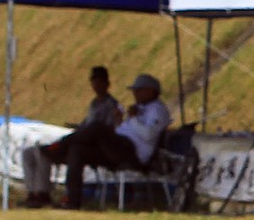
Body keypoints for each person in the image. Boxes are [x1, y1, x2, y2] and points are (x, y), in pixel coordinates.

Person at [48, 73, 171, 210]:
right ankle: (72, 199)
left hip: (133, 151)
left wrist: (134, 118)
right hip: (118, 147)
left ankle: (59, 146)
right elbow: (125, 130)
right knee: (78, 150)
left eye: (139, 90)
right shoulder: (139, 108)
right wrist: (119, 120)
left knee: (98, 127)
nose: (135, 94)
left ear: (150, 91)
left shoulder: (157, 110)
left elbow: (148, 135)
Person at [22, 66, 123, 208]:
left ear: (107, 83)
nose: (96, 84)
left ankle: (43, 192)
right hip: (82, 138)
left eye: (99, 81)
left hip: (94, 144)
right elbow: (87, 124)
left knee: (54, 152)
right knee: (30, 152)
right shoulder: (94, 104)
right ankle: (32, 192)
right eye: (93, 81)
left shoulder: (112, 105)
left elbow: (107, 129)